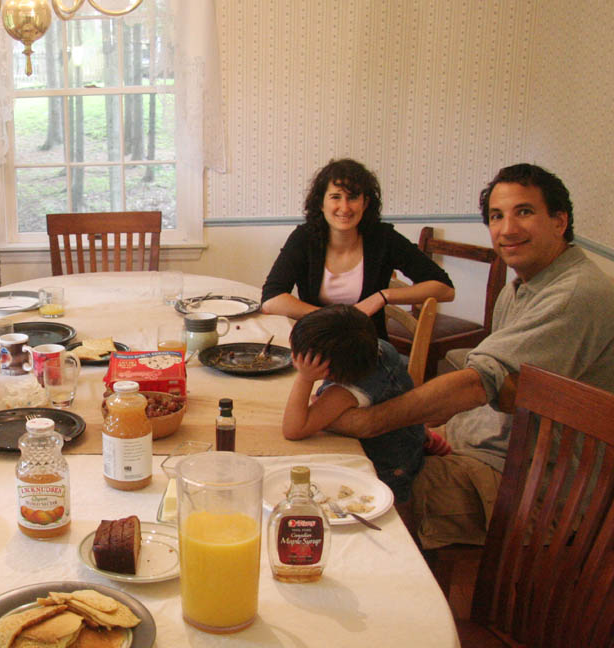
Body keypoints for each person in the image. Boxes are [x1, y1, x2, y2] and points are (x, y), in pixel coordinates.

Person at [327, 164, 614, 549]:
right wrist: (426, 421)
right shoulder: (522, 286)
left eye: (524, 212)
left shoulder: (577, 293)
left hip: (539, 482)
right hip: (490, 444)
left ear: (559, 221)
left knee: (363, 491)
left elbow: (478, 383)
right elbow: (508, 390)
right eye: (497, 216)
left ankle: (410, 597)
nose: (507, 229)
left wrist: (366, 421)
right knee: (345, 459)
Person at [261, 158, 455, 339]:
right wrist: (334, 318)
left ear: (365, 202)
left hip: (369, 346)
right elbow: (271, 299)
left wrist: (383, 297)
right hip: (317, 341)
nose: (344, 208)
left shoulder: (383, 238)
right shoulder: (304, 238)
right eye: (335, 197)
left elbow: (445, 289)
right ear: (321, 203)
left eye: (352, 197)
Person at [284, 305, 427, 503]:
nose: (294, 360)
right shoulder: (378, 348)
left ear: (329, 369)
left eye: (302, 359)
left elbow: (293, 429)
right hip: (411, 440)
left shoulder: (348, 390)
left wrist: (305, 378)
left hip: (389, 467)